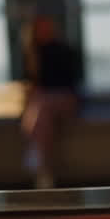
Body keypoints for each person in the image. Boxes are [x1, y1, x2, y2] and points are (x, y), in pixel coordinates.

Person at [20, 14, 82, 188]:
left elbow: (68, 82)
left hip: (64, 99)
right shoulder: (31, 54)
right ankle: (43, 168)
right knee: (41, 111)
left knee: (41, 107)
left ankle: (38, 160)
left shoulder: (63, 50)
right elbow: (30, 83)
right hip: (43, 104)